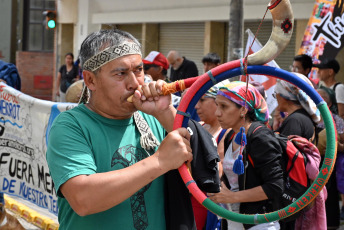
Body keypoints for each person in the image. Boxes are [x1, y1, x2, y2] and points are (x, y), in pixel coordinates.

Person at [46, 29, 193, 230]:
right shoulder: (71, 125)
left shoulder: (155, 117)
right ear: (90, 80)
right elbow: (83, 198)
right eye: (121, 73)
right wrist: (160, 160)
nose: (135, 83)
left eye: (139, 70)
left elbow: (207, 172)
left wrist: (166, 113)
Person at [208, 81, 284, 230]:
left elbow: (275, 186)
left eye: (224, 106)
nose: (217, 112)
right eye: (217, 105)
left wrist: (232, 197)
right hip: (233, 221)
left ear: (243, 109)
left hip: (260, 223)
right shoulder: (231, 134)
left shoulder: (260, 137)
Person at [273, 73, 321, 230]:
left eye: (276, 94)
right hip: (299, 189)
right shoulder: (302, 117)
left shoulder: (294, 121)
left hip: (291, 190)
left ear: (285, 97)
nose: (275, 98)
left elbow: (283, 156)